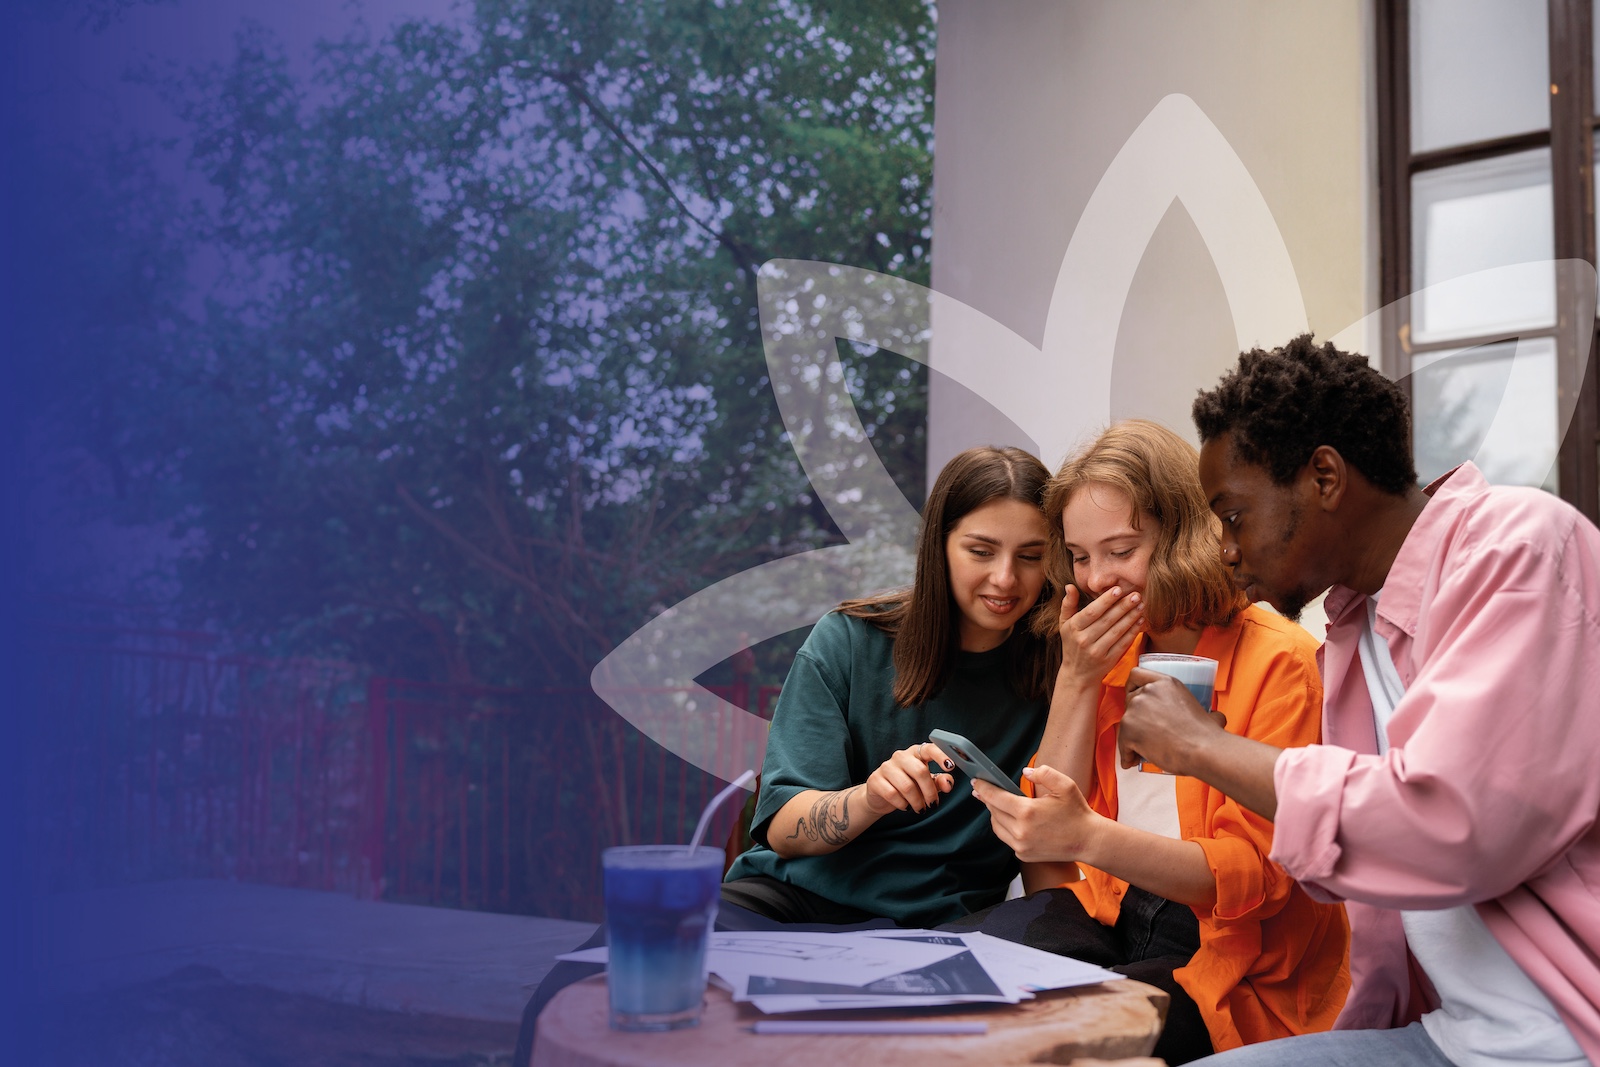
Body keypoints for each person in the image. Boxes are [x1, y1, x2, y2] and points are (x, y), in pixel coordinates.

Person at [1117, 335, 1600, 1066]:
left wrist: (1205, 749)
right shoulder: (1354, 628)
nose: (1223, 547)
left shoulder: (1522, 546)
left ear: (1324, 476)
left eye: (1234, 514)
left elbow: (1452, 824)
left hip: (1565, 1033)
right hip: (1446, 1034)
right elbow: (1353, 851)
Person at [953, 420, 1349, 1065]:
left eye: (1121, 549)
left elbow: (1258, 880)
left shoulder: (1282, 661)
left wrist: (1085, 837)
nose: (1099, 578)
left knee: (1048, 1041)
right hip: (1113, 915)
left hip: (1232, 954)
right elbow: (1046, 823)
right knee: (952, 985)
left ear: (1183, 536)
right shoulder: (1108, 651)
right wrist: (1077, 677)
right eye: (1080, 556)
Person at [722, 444, 1058, 926]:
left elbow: (1049, 848)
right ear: (939, 546)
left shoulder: (1062, 672)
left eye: (1030, 556)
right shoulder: (849, 640)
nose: (1005, 579)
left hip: (943, 924)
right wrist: (871, 798)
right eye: (980, 552)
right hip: (791, 898)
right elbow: (783, 827)